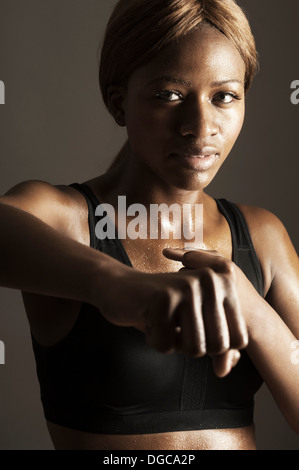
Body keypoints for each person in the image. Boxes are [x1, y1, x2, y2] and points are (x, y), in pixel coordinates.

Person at [0, 0, 298, 451]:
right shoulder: (66, 218)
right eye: (169, 94)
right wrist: (119, 286)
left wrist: (251, 309)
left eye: (225, 96)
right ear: (119, 102)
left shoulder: (261, 235)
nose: (201, 126)